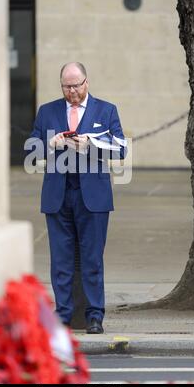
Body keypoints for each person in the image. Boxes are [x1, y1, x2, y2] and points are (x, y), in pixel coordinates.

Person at [27, 62, 127, 334]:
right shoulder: (47, 111)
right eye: (66, 86)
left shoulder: (106, 110)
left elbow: (121, 150)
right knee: (60, 260)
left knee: (92, 259)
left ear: (86, 82)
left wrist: (91, 144)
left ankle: (95, 316)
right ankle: (63, 315)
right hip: (58, 195)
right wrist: (50, 143)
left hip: (93, 197)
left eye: (76, 85)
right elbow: (29, 150)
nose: (71, 91)